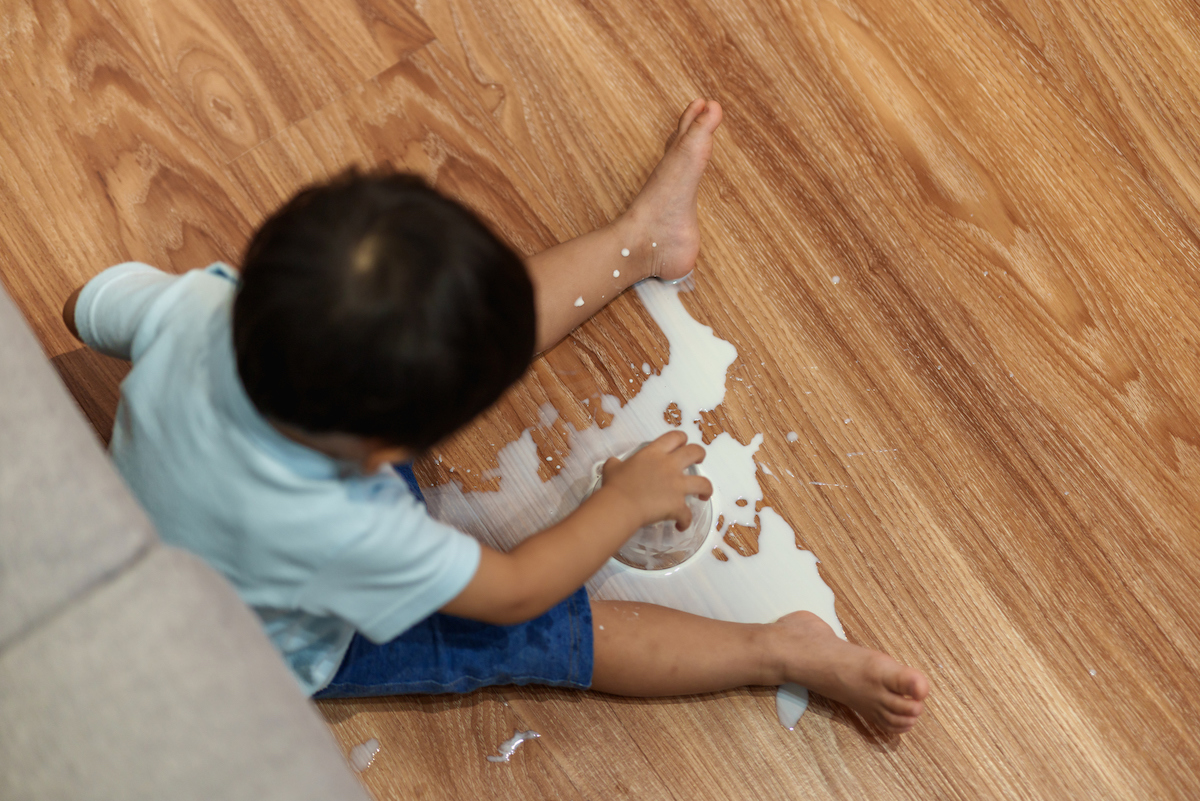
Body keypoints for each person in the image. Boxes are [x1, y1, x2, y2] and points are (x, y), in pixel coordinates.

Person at [64, 99, 928, 732]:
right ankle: (777, 649)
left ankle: (645, 240)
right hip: (277, 644)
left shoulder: (198, 313)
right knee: (531, 639)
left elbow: (88, 304)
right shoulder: (357, 534)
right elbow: (515, 593)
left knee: (448, 327)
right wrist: (619, 505)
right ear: (389, 450)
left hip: (186, 532)